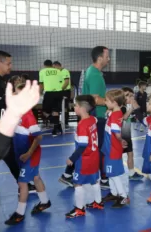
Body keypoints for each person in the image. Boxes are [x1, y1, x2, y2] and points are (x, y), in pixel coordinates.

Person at [0, 80, 40, 218]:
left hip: (4, 138)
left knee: (12, 163)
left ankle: (24, 187)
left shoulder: (16, 107)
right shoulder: (0, 100)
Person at [59, 46, 110, 190]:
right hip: (96, 116)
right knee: (95, 147)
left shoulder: (93, 72)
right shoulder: (94, 74)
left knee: (92, 147)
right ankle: (102, 178)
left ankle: (68, 175)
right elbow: (94, 99)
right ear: (100, 58)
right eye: (107, 56)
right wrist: (113, 102)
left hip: (94, 116)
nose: (109, 59)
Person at [0, 51, 35, 193]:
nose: (10, 66)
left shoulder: (0, 80)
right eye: (8, 63)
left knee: (11, 158)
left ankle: (23, 185)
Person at [5, 83, 51, 225]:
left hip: (30, 155)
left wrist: (28, 153)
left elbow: (39, 137)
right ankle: (45, 202)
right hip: (22, 153)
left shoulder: (29, 116)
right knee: (35, 177)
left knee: (22, 182)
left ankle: (19, 213)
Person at [65, 95, 103, 218]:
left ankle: (79, 209)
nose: (74, 107)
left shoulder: (82, 125)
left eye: (75, 105)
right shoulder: (93, 119)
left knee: (78, 184)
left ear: (82, 108)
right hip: (94, 157)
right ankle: (98, 202)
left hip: (84, 160)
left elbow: (82, 145)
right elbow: (98, 122)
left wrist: (72, 158)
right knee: (95, 180)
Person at [101, 90, 129, 208]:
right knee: (110, 172)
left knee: (114, 174)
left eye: (107, 100)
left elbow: (117, 133)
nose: (105, 102)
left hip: (113, 148)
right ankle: (114, 193)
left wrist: (120, 140)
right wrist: (109, 113)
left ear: (114, 102)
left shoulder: (116, 115)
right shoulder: (115, 113)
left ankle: (123, 196)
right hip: (109, 148)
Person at [120, 87, 144, 181]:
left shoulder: (126, 106)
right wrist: (131, 109)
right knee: (118, 156)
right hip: (121, 136)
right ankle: (115, 174)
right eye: (126, 95)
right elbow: (123, 118)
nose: (128, 98)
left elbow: (138, 109)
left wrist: (134, 104)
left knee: (130, 154)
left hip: (127, 134)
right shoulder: (121, 107)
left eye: (130, 95)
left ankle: (131, 173)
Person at [39, 59, 63, 136]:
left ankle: (57, 125)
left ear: (44, 65)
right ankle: (56, 128)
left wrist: (40, 92)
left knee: (45, 112)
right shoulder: (58, 71)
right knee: (55, 111)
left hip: (49, 93)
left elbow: (41, 84)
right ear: (52, 65)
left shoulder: (42, 71)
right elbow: (61, 82)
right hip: (59, 93)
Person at [53, 61, 71, 126]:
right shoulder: (57, 73)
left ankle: (65, 123)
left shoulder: (65, 71)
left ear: (57, 65)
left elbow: (66, 82)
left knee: (65, 107)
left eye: (54, 67)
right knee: (57, 107)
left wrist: (61, 89)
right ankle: (57, 123)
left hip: (65, 91)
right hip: (59, 91)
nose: (54, 68)